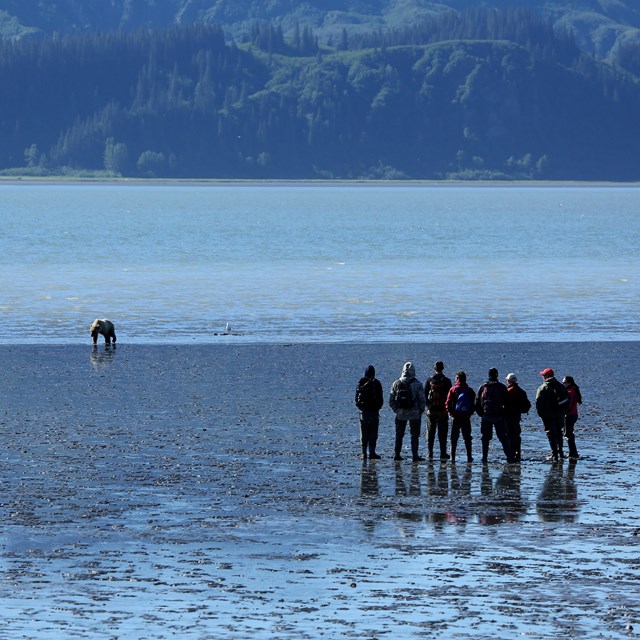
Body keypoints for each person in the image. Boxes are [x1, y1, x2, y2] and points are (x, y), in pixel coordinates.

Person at [389, 362, 426, 462]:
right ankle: (415, 455)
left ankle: (397, 454)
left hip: (400, 414)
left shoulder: (396, 383)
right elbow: (422, 400)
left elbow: (391, 400)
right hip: (414, 414)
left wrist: (396, 410)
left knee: (399, 434)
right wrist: (420, 411)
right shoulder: (417, 384)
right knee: (414, 435)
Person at [475, 367, 514, 463]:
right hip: (499, 416)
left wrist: (481, 414)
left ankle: (484, 458)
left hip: (486, 416)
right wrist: (504, 414)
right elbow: (507, 403)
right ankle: (509, 457)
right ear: (497, 375)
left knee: (485, 438)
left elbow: (477, 402)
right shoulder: (501, 387)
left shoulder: (483, 387)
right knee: (503, 438)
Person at [536, 367, 570, 461]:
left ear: (547, 376)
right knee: (559, 432)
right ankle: (561, 453)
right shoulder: (561, 386)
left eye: (543, 375)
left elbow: (538, 402)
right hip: (560, 414)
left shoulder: (543, 387)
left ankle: (554, 454)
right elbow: (567, 399)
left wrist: (541, 414)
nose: (542, 377)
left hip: (548, 415)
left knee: (550, 433)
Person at [445, 371, 476, 463]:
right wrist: (469, 413)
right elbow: (474, 404)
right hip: (466, 417)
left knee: (454, 437)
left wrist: (452, 413)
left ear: (457, 379)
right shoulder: (469, 390)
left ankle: (452, 456)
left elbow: (448, 403)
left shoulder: (453, 389)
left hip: (456, 417)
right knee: (467, 437)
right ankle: (469, 456)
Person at [354, 365, 384, 460]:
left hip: (363, 412)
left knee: (364, 432)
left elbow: (356, 399)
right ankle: (372, 452)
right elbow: (381, 399)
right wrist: (377, 408)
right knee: (373, 432)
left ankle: (363, 453)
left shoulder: (360, 383)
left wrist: (361, 407)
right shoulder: (376, 383)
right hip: (374, 412)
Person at [425, 361, 453, 460]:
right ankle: (443, 453)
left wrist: (429, 407)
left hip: (431, 411)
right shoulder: (447, 381)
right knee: (443, 433)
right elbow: (450, 397)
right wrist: (448, 409)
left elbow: (425, 396)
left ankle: (430, 453)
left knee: (430, 433)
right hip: (442, 411)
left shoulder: (429, 380)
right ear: (443, 368)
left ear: (434, 368)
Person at [504, 373, 531, 463]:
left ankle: (511, 454)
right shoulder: (521, 391)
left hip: (508, 416)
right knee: (516, 435)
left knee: (509, 436)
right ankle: (517, 454)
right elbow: (527, 404)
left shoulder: (508, 391)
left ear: (508, 381)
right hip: (516, 416)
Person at [562, 375, 582, 460]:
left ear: (569, 383)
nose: (563, 384)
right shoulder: (575, 389)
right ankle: (573, 452)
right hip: (574, 414)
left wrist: (563, 411)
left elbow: (568, 405)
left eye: (564, 383)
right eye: (562, 383)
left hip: (569, 415)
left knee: (568, 434)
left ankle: (573, 453)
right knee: (569, 433)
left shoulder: (570, 391)